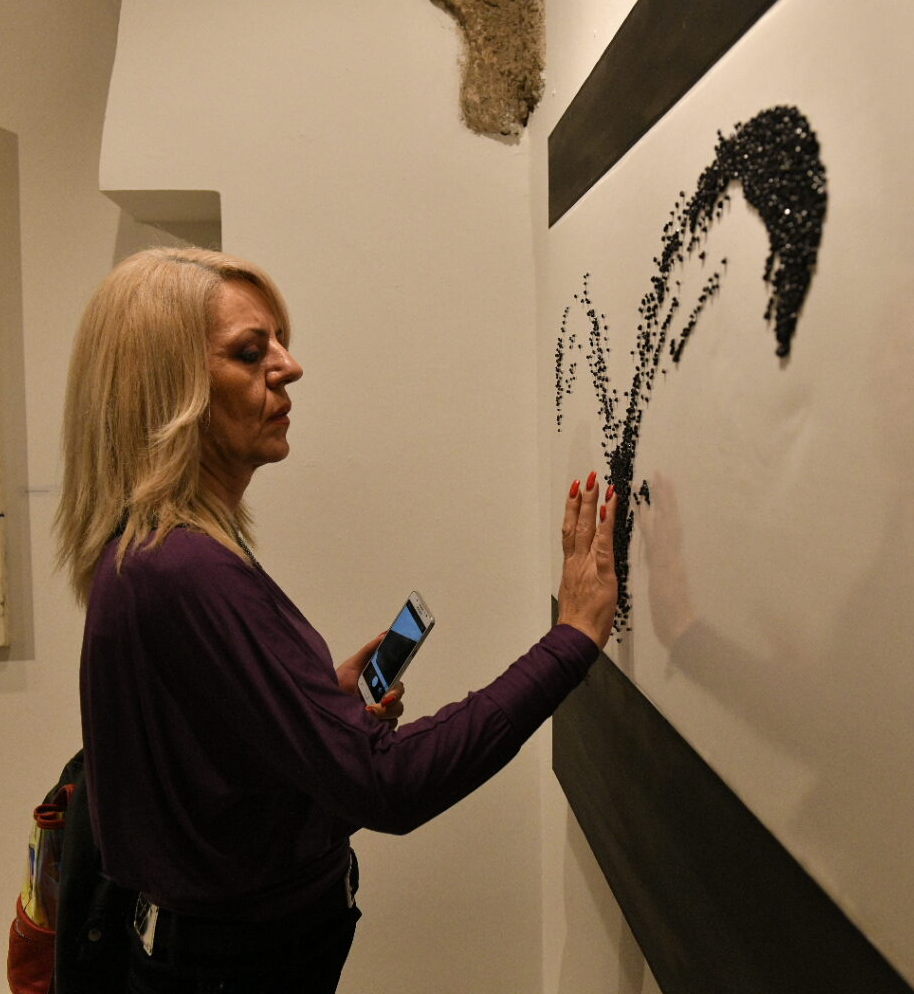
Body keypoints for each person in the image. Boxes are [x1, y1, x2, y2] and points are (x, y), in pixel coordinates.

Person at [55, 247, 618, 993]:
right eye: (250, 352)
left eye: (280, 344)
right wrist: (571, 639)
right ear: (169, 388)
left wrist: (312, 713)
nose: (288, 367)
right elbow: (389, 785)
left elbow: (215, 776)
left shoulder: (155, 553)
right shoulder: (183, 568)